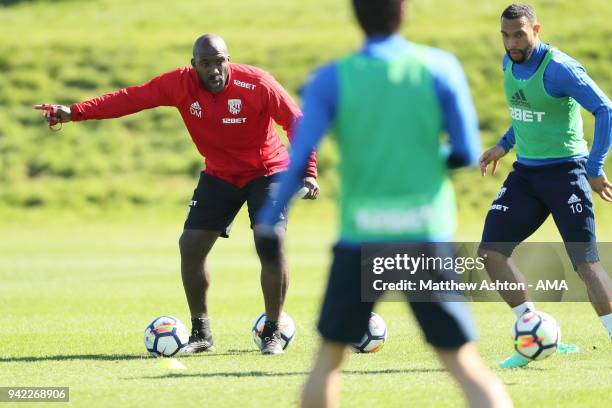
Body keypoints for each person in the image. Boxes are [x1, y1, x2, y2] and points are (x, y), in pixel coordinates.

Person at [255, 1, 512, 407]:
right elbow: (465, 152)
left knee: (327, 362)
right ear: (404, 13)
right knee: (463, 363)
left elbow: (299, 155)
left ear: (356, 17)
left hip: (362, 238)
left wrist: (270, 219)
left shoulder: (331, 78)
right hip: (424, 234)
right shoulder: (439, 68)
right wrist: (420, 162)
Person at [34, 34, 320, 355]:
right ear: (193, 65)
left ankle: (272, 330)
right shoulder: (178, 84)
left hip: (268, 170)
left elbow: (296, 121)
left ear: (229, 60)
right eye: (206, 63)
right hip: (221, 173)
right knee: (191, 245)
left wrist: (308, 170)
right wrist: (75, 112)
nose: (214, 70)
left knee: (270, 242)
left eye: (220, 62)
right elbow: (131, 97)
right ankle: (201, 333)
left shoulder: (257, 83)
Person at [478, 3, 612, 368]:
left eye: (519, 34)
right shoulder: (510, 62)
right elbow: (524, 112)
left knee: (586, 265)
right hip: (526, 175)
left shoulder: (560, 69)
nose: (511, 42)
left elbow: (605, 109)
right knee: (491, 253)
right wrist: (502, 146)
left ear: (536, 29)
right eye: (505, 35)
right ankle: (532, 331)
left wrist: (594, 167)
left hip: (567, 174)